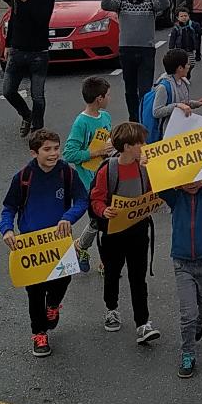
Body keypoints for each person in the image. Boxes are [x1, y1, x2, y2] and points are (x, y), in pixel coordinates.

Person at [0, 129, 87, 357]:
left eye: (56, 148)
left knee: (63, 279)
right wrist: (7, 230)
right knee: (35, 292)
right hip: (32, 244)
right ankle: (39, 334)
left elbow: (81, 200)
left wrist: (68, 217)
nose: (53, 153)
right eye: (47, 149)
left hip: (59, 241)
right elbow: (9, 208)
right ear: (34, 152)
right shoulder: (23, 177)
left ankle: (53, 306)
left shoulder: (66, 172)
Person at [89, 121, 161, 344]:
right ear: (128, 146)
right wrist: (104, 210)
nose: (145, 146)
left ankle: (143, 323)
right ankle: (112, 308)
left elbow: (153, 190)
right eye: (141, 143)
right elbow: (96, 198)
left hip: (138, 229)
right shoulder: (108, 169)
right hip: (113, 232)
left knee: (138, 277)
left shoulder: (145, 167)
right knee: (112, 273)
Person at [160, 173, 202, 378]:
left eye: (197, 178)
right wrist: (150, 164)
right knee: (188, 313)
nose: (192, 183)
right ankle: (188, 353)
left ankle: (198, 324)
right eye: (186, 179)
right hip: (182, 263)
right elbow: (160, 184)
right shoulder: (175, 198)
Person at [62, 76, 114, 273]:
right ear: (99, 98)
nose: (110, 98)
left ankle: (81, 246)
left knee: (102, 218)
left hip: (108, 173)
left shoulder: (105, 117)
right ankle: (102, 258)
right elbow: (69, 154)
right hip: (90, 180)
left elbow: (109, 141)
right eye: (108, 95)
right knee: (103, 218)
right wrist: (96, 152)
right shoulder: (81, 123)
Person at [102, 0, 168, 122]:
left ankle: (144, 117)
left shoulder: (151, 1)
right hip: (127, 50)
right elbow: (105, 5)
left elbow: (165, 4)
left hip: (146, 49)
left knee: (145, 89)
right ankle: (133, 118)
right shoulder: (121, 1)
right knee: (130, 88)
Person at [3, 0, 56, 135]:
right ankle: (27, 115)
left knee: (37, 96)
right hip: (18, 50)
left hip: (38, 52)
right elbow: (13, 20)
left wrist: (27, 1)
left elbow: (41, 21)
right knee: (8, 91)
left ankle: (38, 128)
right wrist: (8, 44)